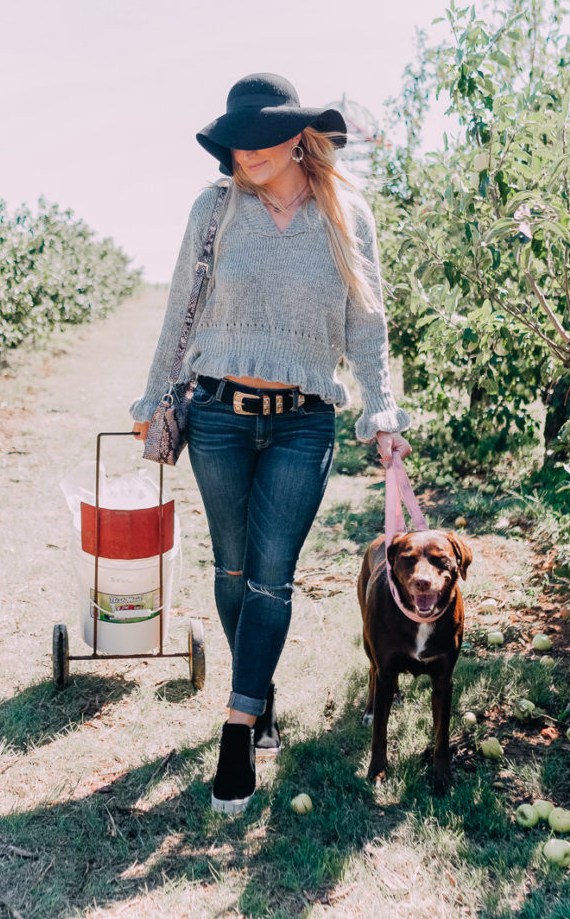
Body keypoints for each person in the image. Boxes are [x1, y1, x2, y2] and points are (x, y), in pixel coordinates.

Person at [131, 73, 411, 815]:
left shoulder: (345, 211)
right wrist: (155, 395)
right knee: (231, 570)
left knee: (271, 574)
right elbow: (180, 310)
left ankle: (236, 724)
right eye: (235, 141)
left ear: (296, 136)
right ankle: (262, 693)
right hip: (218, 414)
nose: (245, 153)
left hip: (302, 420)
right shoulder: (215, 207)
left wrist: (381, 412)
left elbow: (366, 322)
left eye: (261, 139)